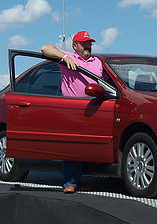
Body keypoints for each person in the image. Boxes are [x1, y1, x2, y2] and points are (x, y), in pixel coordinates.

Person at [40, 31, 107, 193]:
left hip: (94, 108)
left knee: (86, 147)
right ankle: (70, 182)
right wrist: (64, 57)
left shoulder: (97, 62)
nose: (88, 46)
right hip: (73, 108)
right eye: (84, 43)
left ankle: (78, 180)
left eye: (89, 43)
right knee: (73, 147)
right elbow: (45, 48)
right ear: (75, 46)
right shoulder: (68, 57)